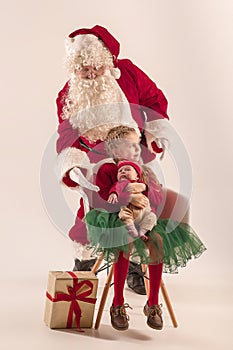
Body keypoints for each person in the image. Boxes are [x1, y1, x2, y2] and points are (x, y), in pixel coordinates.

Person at [55, 25, 171, 293]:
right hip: (96, 164)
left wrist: (157, 131)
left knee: (143, 209)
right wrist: (72, 166)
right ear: (75, 69)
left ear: (107, 61)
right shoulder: (67, 95)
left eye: (96, 66)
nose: (92, 73)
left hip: (135, 155)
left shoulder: (128, 73)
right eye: (84, 69)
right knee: (93, 211)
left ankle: (134, 267)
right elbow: (65, 136)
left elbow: (153, 99)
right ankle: (84, 264)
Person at [85, 125, 207, 331]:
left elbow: (158, 199)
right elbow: (102, 200)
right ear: (115, 150)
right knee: (125, 240)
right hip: (115, 219)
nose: (137, 149)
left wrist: (146, 189)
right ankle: (117, 303)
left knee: (157, 241)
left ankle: (152, 304)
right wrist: (127, 196)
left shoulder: (145, 171)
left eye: (138, 145)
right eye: (131, 145)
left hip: (145, 218)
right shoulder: (107, 170)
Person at [107, 160, 158, 241]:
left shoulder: (142, 184)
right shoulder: (121, 183)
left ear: (137, 177)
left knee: (152, 217)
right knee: (124, 215)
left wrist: (147, 188)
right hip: (129, 210)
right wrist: (114, 193)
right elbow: (116, 188)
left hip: (144, 212)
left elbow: (154, 199)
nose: (123, 171)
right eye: (120, 171)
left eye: (127, 170)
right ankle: (132, 228)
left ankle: (143, 231)